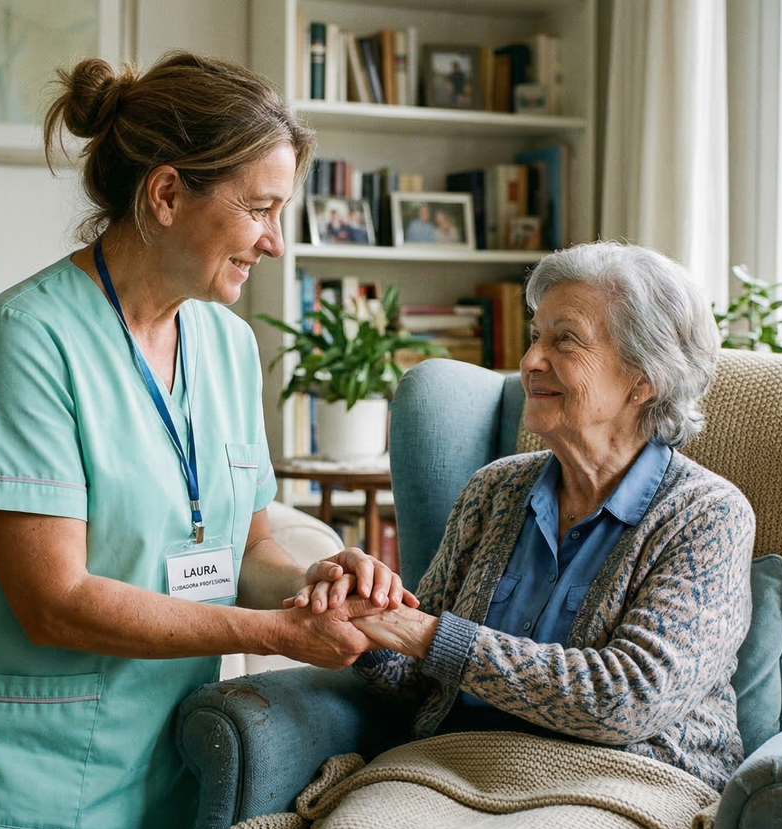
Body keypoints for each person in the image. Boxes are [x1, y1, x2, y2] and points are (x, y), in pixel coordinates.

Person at [0, 51, 413, 829]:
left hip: (167, 777)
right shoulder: (23, 342)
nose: (275, 241)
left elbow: (245, 550)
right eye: (261, 209)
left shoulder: (230, 346)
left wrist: (320, 576)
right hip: (11, 785)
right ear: (166, 194)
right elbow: (54, 601)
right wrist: (272, 633)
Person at [291, 241, 755, 793]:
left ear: (643, 379)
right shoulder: (495, 490)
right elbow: (422, 677)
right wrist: (366, 619)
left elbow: (627, 699)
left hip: (626, 783)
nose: (531, 360)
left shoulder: (707, 518)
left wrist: (430, 634)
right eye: (536, 336)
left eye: (565, 340)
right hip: (461, 767)